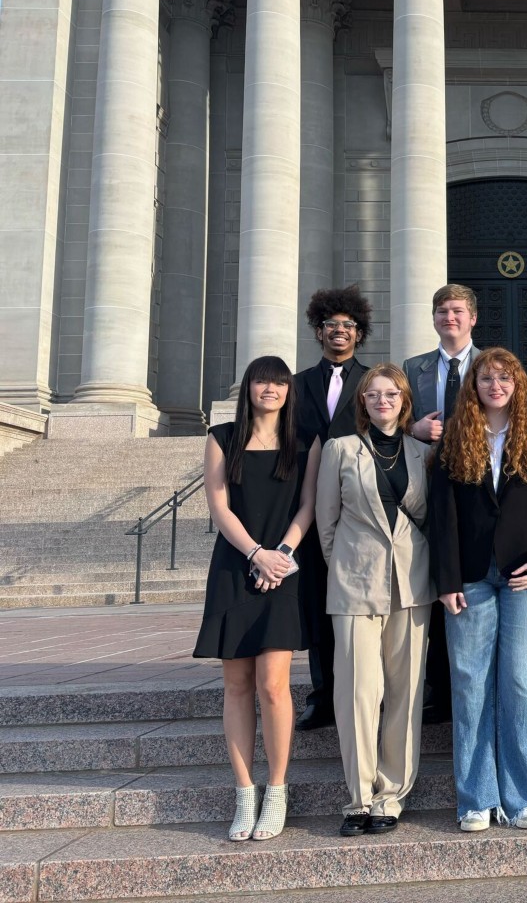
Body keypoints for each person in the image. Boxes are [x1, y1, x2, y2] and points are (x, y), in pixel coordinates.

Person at [432, 348, 527, 832]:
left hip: (522, 573)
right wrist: (446, 580)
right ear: (474, 385)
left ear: (518, 385)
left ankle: (526, 798)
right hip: (469, 575)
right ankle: (476, 799)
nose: (496, 386)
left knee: (522, 681)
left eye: (505, 378)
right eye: (487, 378)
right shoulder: (455, 438)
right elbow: (443, 516)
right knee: (470, 684)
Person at [194, 355, 321, 842]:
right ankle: (244, 792)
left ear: (289, 390)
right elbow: (219, 506)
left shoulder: (305, 441)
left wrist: (280, 555)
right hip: (235, 566)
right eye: (262, 381)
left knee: (273, 685)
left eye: (279, 382)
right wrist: (255, 554)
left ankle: (278, 789)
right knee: (237, 684)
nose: (271, 389)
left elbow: (308, 505)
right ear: (248, 387)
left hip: (283, 569)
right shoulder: (222, 437)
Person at [315, 363, 433, 837]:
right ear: (361, 402)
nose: (383, 400)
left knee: (406, 691)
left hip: (411, 582)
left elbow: (428, 517)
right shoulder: (340, 449)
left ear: (405, 401)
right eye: (373, 394)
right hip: (355, 583)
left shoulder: (422, 452)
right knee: (357, 691)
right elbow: (326, 523)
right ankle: (359, 796)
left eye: (392, 393)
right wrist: (348, 566)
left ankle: (392, 793)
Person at [293, 285, 372, 732]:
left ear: (359, 333)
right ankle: (322, 694)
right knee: (319, 601)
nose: (339, 331)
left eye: (348, 325)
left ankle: (367, 692)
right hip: (310, 505)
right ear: (318, 331)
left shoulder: (374, 381)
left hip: (360, 505)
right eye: (331, 325)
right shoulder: (297, 384)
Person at [403, 283, 481, 724]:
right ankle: (436, 684)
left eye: (457, 311)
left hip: (477, 490)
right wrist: (412, 429)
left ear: (473, 318)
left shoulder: (491, 365)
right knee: (432, 583)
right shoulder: (412, 367)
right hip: (426, 487)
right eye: (441, 311)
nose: (449, 317)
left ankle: (466, 681)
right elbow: (394, 417)